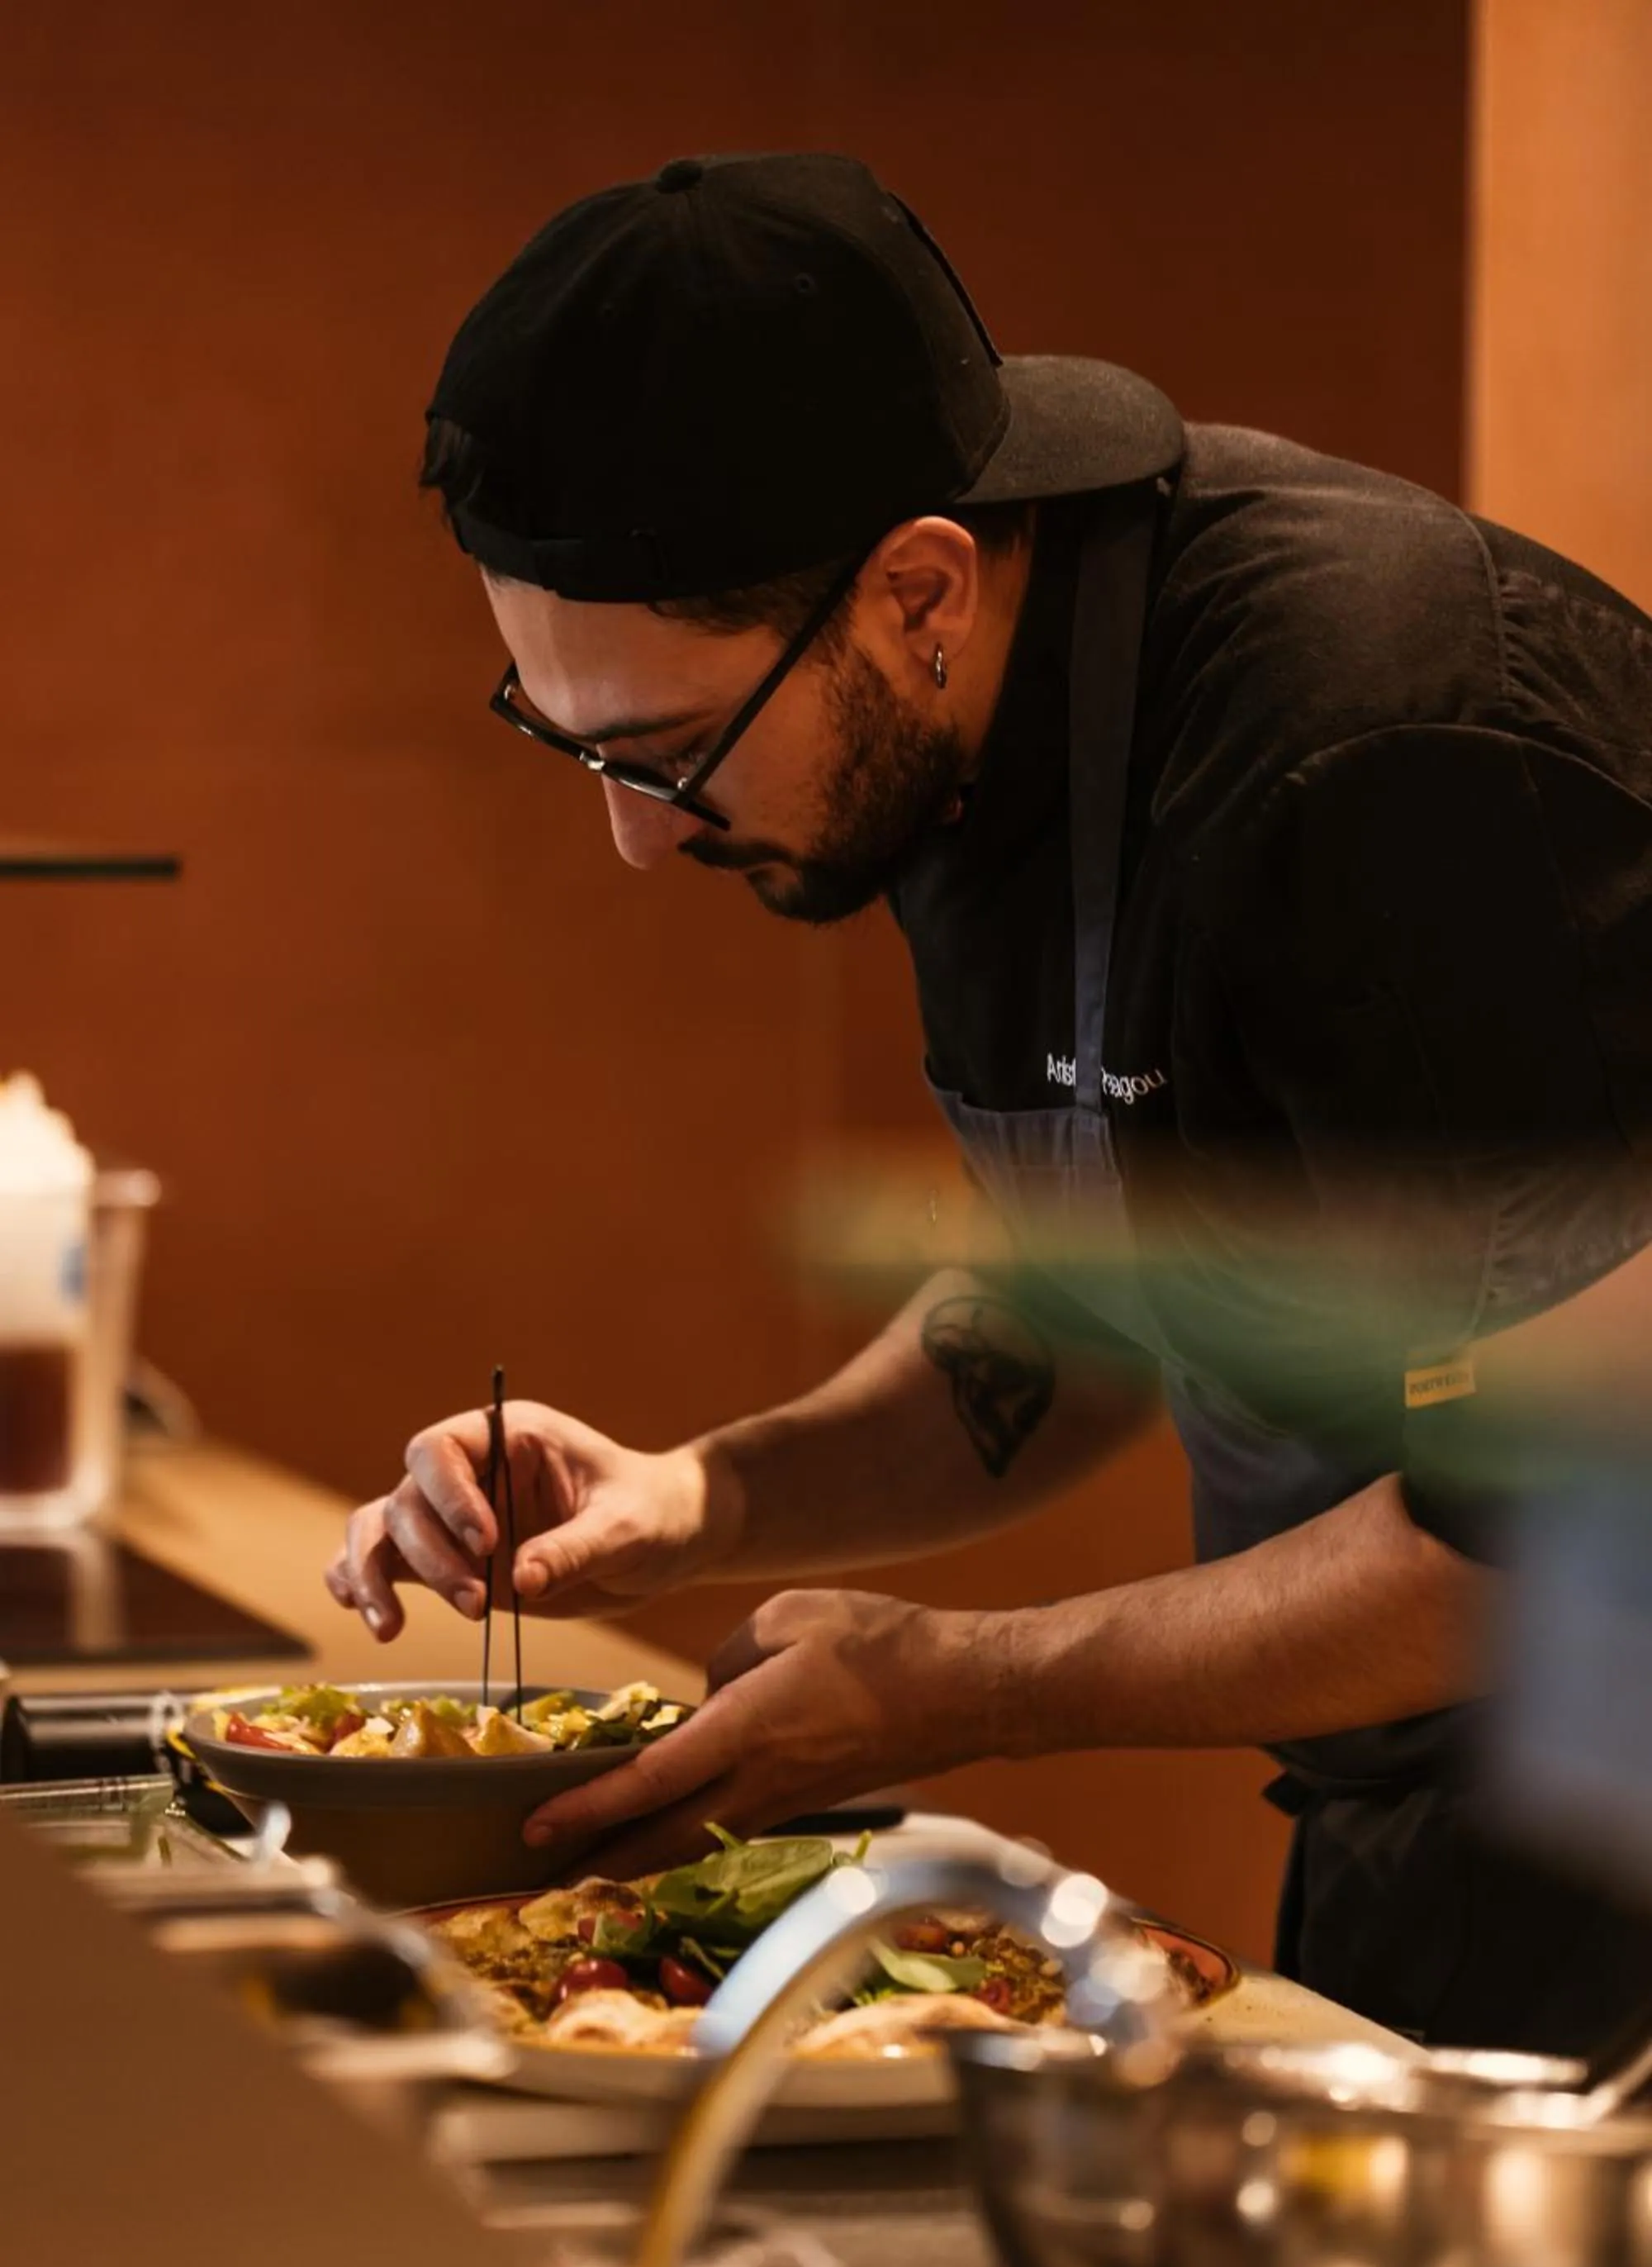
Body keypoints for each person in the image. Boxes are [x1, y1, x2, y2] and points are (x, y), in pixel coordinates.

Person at [327, 152, 1652, 2051]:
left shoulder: (1377, 754)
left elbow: (1521, 1543)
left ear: (917, 589)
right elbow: (1097, 1299)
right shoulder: (946, 726)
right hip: (1438, 1810)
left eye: (668, 751)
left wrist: (963, 1682)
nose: (632, 837)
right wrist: (697, 1497)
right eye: (568, 740)